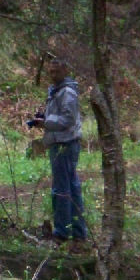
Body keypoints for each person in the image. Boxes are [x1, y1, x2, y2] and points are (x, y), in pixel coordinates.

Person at [28, 58, 87, 244]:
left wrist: (46, 123)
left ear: (65, 71)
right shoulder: (56, 91)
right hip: (59, 142)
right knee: (71, 186)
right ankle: (77, 232)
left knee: (62, 188)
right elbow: (60, 116)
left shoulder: (67, 92)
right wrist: (44, 119)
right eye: (51, 72)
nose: (53, 75)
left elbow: (67, 120)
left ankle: (62, 233)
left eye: (57, 72)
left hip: (65, 143)